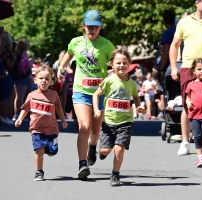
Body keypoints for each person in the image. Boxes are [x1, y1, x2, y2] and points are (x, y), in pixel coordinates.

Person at [56, 10, 116, 180]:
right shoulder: (76, 42)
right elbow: (69, 53)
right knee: (85, 126)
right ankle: (82, 164)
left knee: (95, 130)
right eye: (89, 27)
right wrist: (61, 67)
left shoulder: (106, 45)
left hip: (100, 93)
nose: (92, 30)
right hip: (81, 91)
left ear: (100, 27)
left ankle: (92, 146)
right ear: (83, 26)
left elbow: (116, 61)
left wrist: (113, 70)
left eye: (96, 27)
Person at [169, 0, 202, 156]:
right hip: (188, 68)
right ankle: (185, 141)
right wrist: (174, 66)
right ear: (197, 3)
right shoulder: (184, 22)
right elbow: (174, 45)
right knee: (188, 105)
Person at [93, 47, 145, 186]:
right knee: (106, 150)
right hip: (108, 121)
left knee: (119, 148)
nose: (121, 65)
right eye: (118, 63)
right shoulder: (109, 80)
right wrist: (97, 109)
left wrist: (139, 106)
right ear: (112, 64)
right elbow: (96, 94)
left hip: (126, 121)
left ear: (129, 64)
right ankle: (102, 152)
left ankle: (115, 175)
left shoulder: (132, 83)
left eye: (124, 62)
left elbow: (135, 96)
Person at [14, 65, 68, 181]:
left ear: (51, 82)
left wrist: (63, 121)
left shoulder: (53, 95)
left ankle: (48, 150)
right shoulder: (32, 95)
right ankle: (39, 171)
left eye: (47, 79)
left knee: (52, 152)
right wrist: (20, 118)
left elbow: (58, 108)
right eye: (41, 78)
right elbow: (26, 108)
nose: (44, 81)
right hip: (36, 128)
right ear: (35, 80)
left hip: (51, 128)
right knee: (39, 150)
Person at [12, 38, 32, 121]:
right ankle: (20, 115)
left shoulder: (15, 54)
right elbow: (28, 66)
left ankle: (16, 114)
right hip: (23, 76)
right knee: (21, 96)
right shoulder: (25, 54)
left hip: (16, 76)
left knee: (17, 96)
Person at [63, 60, 77, 127]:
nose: (75, 70)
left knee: (75, 109)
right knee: (68, 108)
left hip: (77, 94)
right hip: (69, 94)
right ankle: (67, 114)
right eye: (74, 68)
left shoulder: (79, 76)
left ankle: (75, 121)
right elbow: (64, 83)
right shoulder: (69, 75)